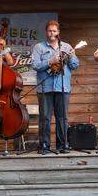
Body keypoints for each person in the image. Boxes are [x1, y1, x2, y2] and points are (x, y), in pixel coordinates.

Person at [31, 20, 80, 153]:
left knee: (62, 118)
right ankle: (44, 146)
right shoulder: (39, 47)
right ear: (46, 32)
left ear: (58, 32)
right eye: (49, 31)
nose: (52, 33)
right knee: (45, 118)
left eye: (54, 31)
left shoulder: (67, 47)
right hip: (45, 88)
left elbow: (75, 66)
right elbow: (35, 65)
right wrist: (49, 61)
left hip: (62, 87)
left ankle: (62, 145)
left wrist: (70, 56)